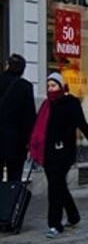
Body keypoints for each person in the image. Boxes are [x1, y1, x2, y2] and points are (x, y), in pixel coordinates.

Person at [29, 73, 88, 239]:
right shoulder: (47, 105)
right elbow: (38, 128)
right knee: (58, 185)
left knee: (54, 187)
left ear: (61, 86)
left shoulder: (71, 103)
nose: (50, 89)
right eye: (48, 86)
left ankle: (55, 225)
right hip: (48, 153)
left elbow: (82, 125)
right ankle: (73, 215)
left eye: (54, 86)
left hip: (64, 153)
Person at [0, 54, 36, 182]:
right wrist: (29, 142)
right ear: (22, 70)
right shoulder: (25, 87)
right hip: (16, 143)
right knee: (14, 179)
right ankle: (10, 201)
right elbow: (30, 119)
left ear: (7, 65)